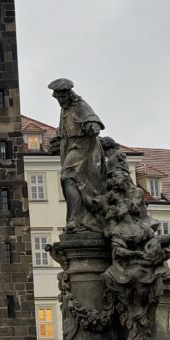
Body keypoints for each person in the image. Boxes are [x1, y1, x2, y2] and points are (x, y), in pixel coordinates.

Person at [47, 78, 106, 233]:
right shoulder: (64, 109)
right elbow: (64, 130)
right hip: (69, 147)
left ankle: (75, 218)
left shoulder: (79, 104)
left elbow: (92, 119)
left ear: (69, 94)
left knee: (67, 176)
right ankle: (78, 218)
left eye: (63, 97)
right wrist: (56, 141)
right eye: (58, 98)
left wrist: (92, 126)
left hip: (81, 147)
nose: (60, 101)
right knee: (75, 182)